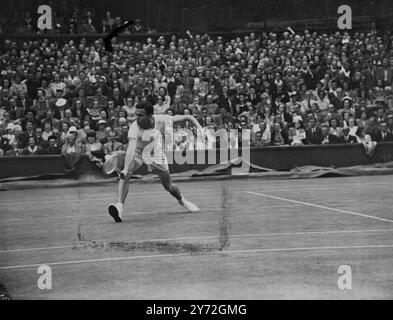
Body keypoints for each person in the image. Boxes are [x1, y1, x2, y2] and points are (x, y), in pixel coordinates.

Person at [104, 101, 202, 222]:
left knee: (169, 186)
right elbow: (131, 149)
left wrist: (199, 128)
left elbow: (188, 117)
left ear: (150, 115)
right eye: (136, 115)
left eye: (140, 115)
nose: (137, 118)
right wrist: (125, 168)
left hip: (156, 155)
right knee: (126, 174)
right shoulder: (134, 127)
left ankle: (183, 201)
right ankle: (119, 207)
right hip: (138, 153)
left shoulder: (162, 119)